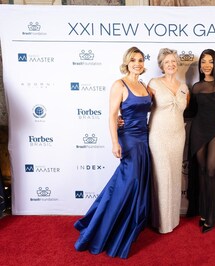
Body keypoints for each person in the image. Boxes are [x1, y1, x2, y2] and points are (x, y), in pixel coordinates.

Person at [74, 46, 152, 258]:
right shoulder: (120, 84)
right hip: (128, 139)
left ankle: (120, 225)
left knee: (129, 185)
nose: (137, 63)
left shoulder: (144, 85)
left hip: (144, 140)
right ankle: (103, 230)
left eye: (141, 60)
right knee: (129, 183)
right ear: (127, 62)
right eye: (133, 59)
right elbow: (111, 116)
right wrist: (114, 142)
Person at [185, 49, 215, 233]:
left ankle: (212, 218)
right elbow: (190, 112)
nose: (206, 65)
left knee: (212, 170)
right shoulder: (196, 87)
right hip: (198, 130)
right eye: (203, 61)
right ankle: (204, 212)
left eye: (210, 61)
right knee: (203, 171)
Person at [148, 48, 189, 234]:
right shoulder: (154, 83)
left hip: (178, 136)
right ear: (161, 66)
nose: (171, 64)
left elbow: (185, 111)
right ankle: (161, 222)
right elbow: (141, 106)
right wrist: (123, 118)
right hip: (158, 135)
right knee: (161, 177)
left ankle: (173, 219)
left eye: (173, 61)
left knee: (173, 177)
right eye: (167, 62)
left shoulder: (184, 87)